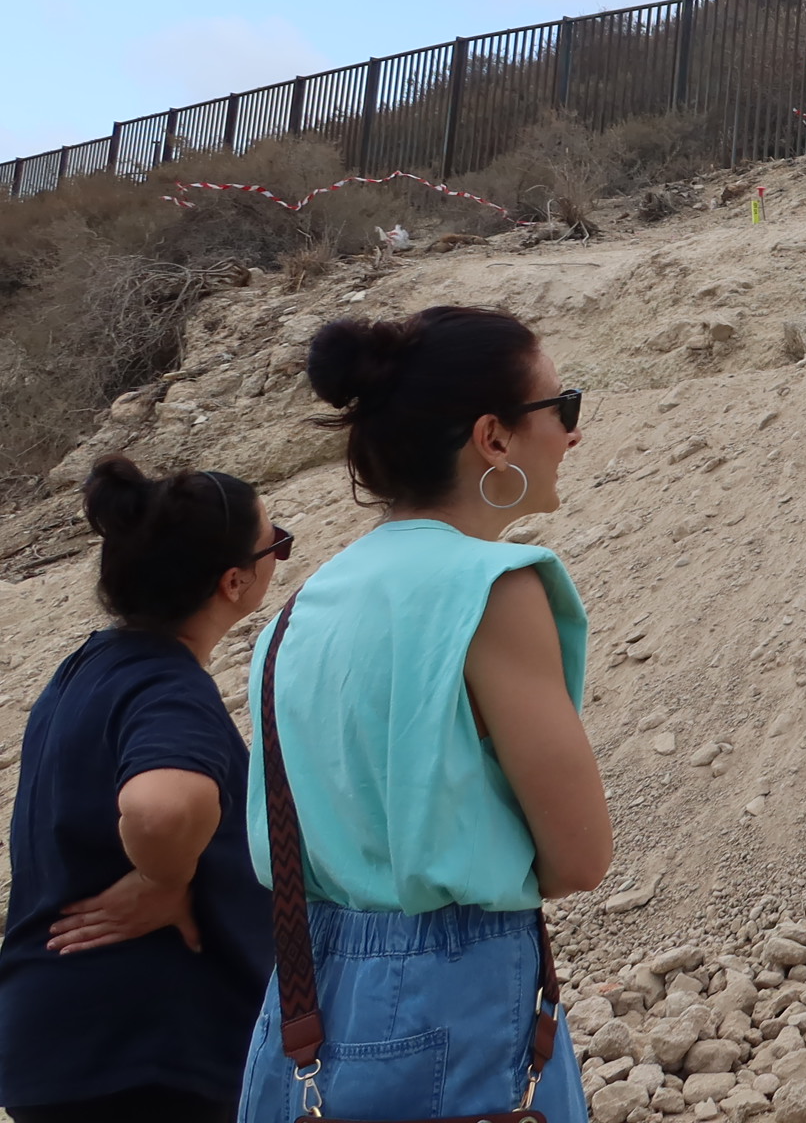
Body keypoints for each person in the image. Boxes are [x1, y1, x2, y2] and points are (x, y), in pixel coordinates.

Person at [237, 305, 610, 1122]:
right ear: (494, 438)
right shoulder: (494, 588)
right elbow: (580, 857)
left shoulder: (296, 612)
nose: (573, 435)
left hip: (299, 1006)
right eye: (563, 408)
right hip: (451, 1001)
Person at [0, 460, 285, 1123]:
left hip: (56, 1046)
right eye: (278, 544)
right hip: (145, 1056)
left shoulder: (85, 669)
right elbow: (161, 807)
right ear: (235, 581)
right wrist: (165, 877)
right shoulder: (168, 689)